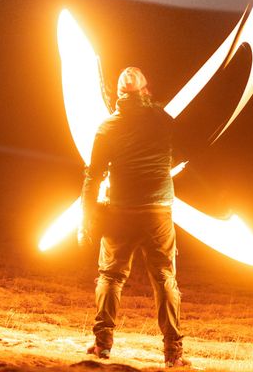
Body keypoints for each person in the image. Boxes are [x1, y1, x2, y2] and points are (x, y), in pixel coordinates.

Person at [79, 66, 190, 368]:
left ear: (117, 94)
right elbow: (184, 153)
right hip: (157, 212)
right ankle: (173, 354)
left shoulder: (107, 127)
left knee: (110, 277)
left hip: (121, 212)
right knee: (165, 278)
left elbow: (94, 175)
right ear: (145, 90)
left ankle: (102, 347)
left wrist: (86, 217)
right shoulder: (163, 121)